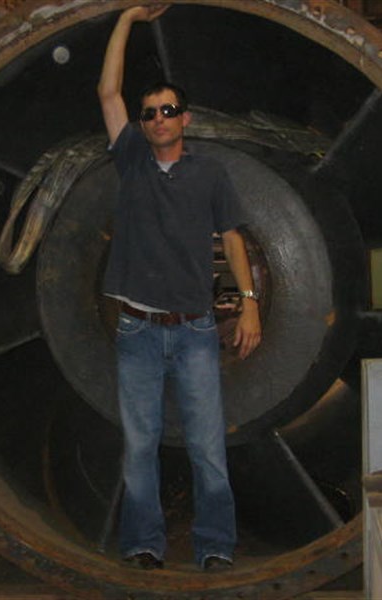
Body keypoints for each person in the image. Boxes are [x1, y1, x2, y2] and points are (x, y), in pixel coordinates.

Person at [97, 5, 262, 572]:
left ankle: (214, 545)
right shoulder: (131, 162)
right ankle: (144, 542)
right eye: (149, 113)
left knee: (207, 448)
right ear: (142, 125)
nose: (159, 119)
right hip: (137, 332)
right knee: (140, 447)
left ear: (185, 118)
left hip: (194, 332)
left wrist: (249, 305)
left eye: (168, 110)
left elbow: (233, 239)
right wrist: (127, 18)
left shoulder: (210, 173)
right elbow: (107, 91)